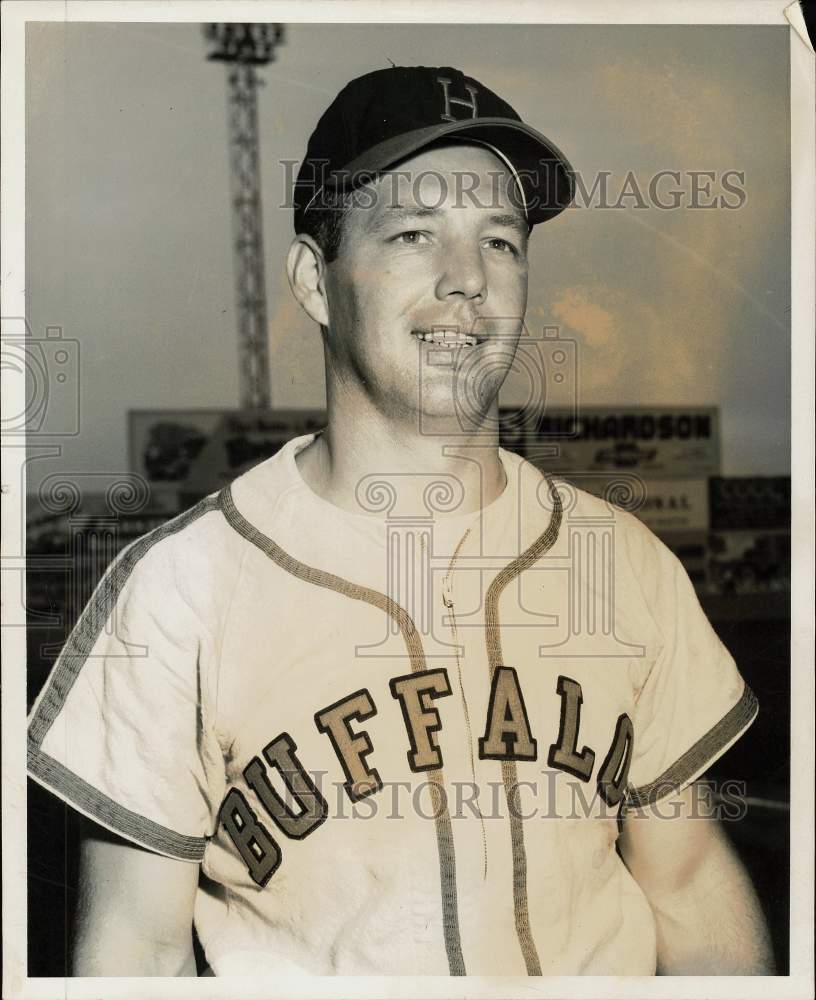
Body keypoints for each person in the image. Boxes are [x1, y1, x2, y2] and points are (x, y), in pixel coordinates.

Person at [27, 65, 774, 977]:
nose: (467, 281)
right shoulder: (181, 589)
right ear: (313, 278)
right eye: (415, 234)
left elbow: (691, 890)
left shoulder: (620, 562)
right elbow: (136, 954)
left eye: (500, 241)